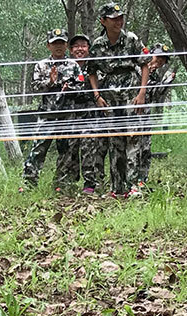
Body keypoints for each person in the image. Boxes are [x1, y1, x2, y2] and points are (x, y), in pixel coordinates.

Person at [88, 2, 150, 198]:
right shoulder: (98, 44)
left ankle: (133, 185)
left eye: (120, 18)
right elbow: (91, 71)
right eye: (114, 19)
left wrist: (141, 93)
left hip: (130, 90)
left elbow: (145, 65)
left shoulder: (131, 39)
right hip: (110, 95)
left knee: (133, 136)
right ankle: (117, 188)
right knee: (115, 140)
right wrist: (97, 95)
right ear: (103, 21)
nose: (119, 21)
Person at [21, 29, 83, 192]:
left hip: (67, 115)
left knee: (66, 150)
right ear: (48, 45)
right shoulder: (41, 65)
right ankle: (29, 184)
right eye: (55, 43)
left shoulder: (73, 65)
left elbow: (81, 87)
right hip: (47, 114)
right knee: (39, 148)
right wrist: (49, 82)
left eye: (61, 43)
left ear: (66, 45)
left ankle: (62, 184)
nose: (58, 46)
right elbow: (34, 87)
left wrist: (69, 88)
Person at [67, 34, 109, 194]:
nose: (80, 49)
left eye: (83, 46)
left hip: (92, 114)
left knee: (91, 147)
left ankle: (91, 183)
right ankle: (69, 182)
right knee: (70, 148)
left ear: (88, 49)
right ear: (71, 50)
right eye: (76, 46)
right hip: (71, 114)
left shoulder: (96, 68)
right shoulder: (66, 67)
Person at [135, 43, 176, 185]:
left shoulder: (156, 75)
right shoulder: (136, 67)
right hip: (130, 113)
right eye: (158, 57)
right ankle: (129, 180)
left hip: (144, 115)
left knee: (145, 148)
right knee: (130, 148)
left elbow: (155, 95)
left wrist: (167, 82)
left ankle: (142, 180)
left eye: (163, 59)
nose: (159, 61)